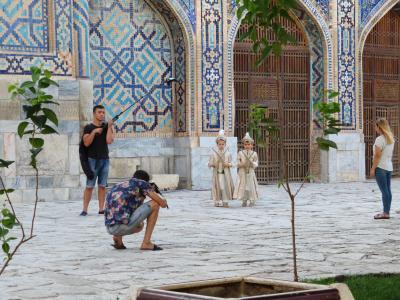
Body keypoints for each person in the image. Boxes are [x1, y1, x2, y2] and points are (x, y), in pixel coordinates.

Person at [104, 170, 168, 250]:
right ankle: (146, 243)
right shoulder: (142, 183)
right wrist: (164, 201)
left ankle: (118, 239)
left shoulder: (120, 185)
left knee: (124, 214)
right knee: (155, 204)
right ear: (146, 181)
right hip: (121, 227)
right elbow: (161, 203)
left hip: (110, 228)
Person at [80, 105, 114, 216]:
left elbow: (109, 141)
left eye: (103, 112)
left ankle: (101, 209)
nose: (102, 114)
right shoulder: (88, 128)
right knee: (89, 186)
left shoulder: (106, 127)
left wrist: (109, 127)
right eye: (99, 112)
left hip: (104, 160)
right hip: (92, 160)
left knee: (102, 186)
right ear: (94, 113)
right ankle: (85, 210)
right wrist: (94, 132)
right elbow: (86, 143)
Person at [370, 118, 395, 220]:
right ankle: (387, 211)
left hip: (380, 168)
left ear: (379, 127)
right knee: (387, 190)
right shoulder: (391, 138)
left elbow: (377, 156)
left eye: (376, 126)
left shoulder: (379, 139)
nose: (375, 128)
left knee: (384, 191)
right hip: (388, 167)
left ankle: (385, 213)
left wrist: (372, 169)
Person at [208, 130, 234, 207]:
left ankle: (225, 201)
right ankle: (216, 200)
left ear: (225, 144)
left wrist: (228, 164)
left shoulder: (228, 153)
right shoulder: (213, 153)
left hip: (225, 173)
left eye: (223, 144)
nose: (221, 145)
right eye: (220, 144)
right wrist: (212, 164)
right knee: (217, 187)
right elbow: (209, 163)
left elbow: (232, 163)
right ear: (217, 144)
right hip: (217, 173)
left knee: (224, 187)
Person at [234, 132, 259, 207]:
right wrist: (241, 164)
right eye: (245, 144)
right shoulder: (240, 153)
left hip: (250, 171)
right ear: (243, 145)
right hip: (242, 171)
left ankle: (252, 199)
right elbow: (237, 162)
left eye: (249, 144)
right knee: (243, 186)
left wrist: (253, 164)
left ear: (252, 145)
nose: (247, 146)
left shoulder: (254, 153)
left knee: (251, 186)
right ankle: (244, 199)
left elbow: (256, 162)